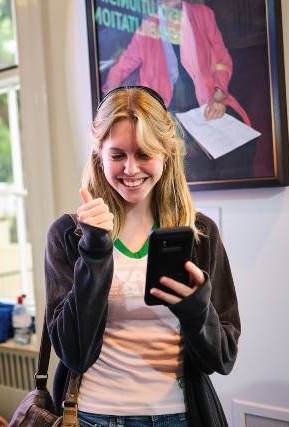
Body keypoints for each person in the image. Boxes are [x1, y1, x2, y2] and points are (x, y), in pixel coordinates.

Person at [44, 86, 240, 426]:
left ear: (166, 153)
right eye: (117, 155)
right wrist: (94, 251)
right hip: (92, 416)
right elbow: (73, 353)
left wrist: (196, 311)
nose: (131, 169)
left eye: (144, 153)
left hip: (177, 416)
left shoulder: (199, 234)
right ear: (99, 155)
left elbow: (221, 358)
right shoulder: (70, 235)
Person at [101, 0, 255, 181]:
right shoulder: (149, 27)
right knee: (192, 163)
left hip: (206, 100)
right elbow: (123, 66)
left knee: (241, 146)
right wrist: (107, 101)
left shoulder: (203, 15)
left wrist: (218, 96)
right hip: (168, 110)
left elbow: (222, 59)